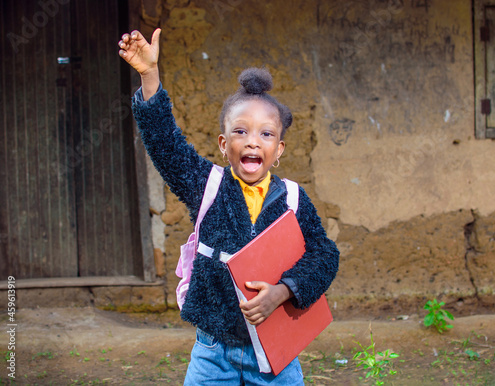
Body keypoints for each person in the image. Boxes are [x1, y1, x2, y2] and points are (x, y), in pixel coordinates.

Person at [118, 28, 339, 385]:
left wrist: (284, 291)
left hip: (275, 355)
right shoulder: (206, 185)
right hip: (213, 354)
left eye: (266, 134)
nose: (253, 141)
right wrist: (149, 74)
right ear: (223, 144)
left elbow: (325, 256)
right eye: (241, 131)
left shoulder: (294, 200)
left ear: (279, 149)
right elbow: (165, 144)